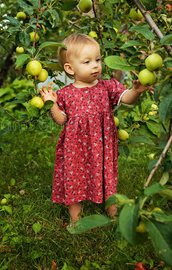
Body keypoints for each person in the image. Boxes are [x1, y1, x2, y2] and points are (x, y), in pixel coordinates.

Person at [39, 34, 153, 226]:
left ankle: (113, 213)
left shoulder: (107, 86)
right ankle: (75, 219)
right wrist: (51, 104)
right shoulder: (65, 94)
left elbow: (126, 99)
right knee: (74, 178)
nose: (95, 65)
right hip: (76, 148)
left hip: (102, 146)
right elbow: (60, 120)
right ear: (70, 68)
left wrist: (136, 91)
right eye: (87, 61)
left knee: (107, 176)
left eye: (98, 60)